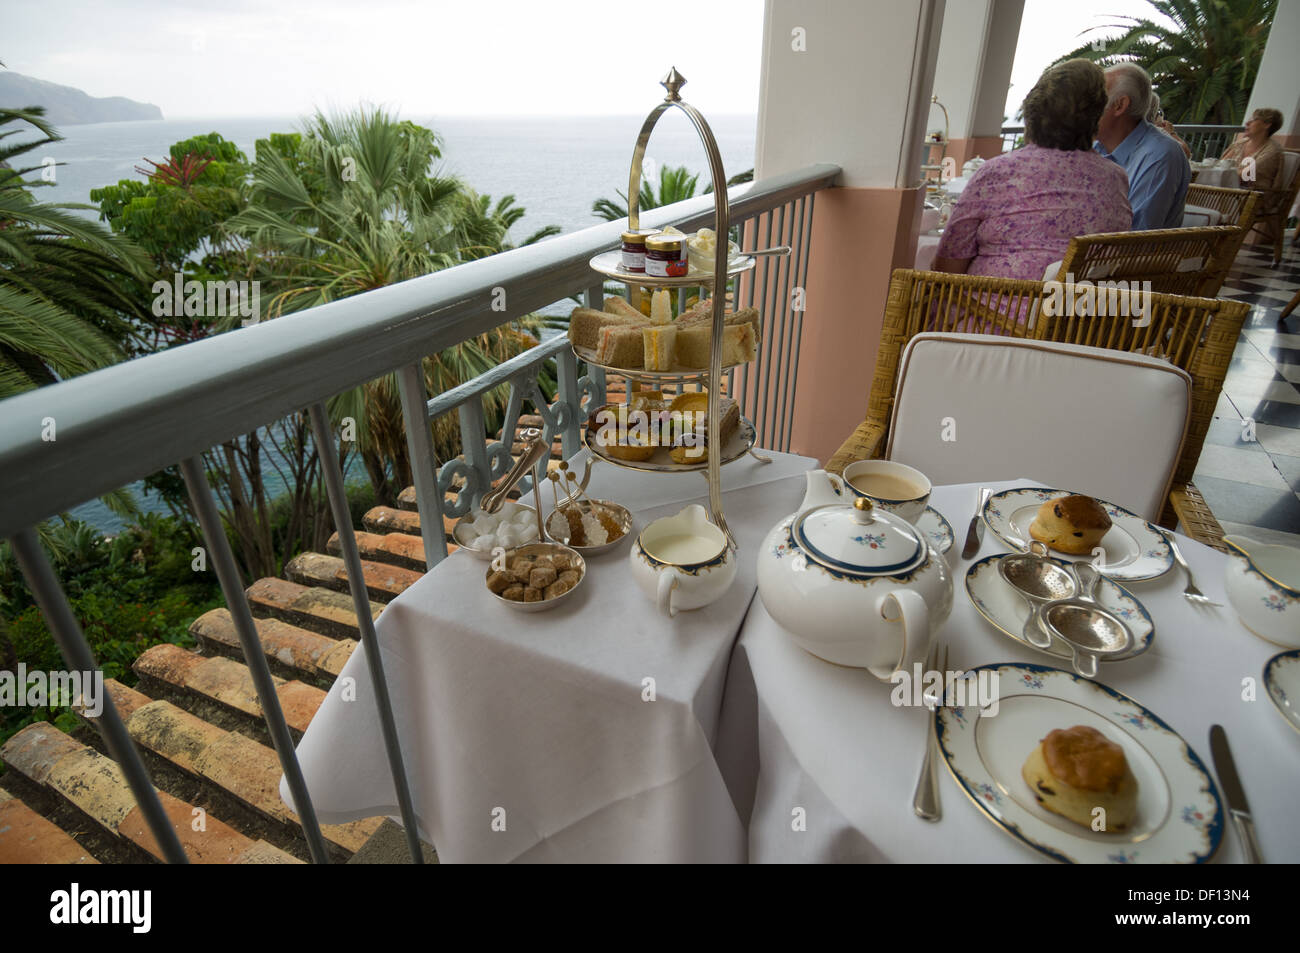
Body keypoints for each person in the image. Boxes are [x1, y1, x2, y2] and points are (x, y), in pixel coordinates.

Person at [933, 59, 1131, 281]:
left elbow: (946, 267)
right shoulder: (1115, 178)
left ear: (1033, 114)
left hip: (993, 310)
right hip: (1078, 312)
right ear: (1095, 118)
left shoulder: (997, 172)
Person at [1094, 63, 1190, 230]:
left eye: (1094, 99)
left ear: (1120, 105)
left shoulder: (1159, 154)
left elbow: (1135, 233)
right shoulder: (1096, 148)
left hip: (1128, 254)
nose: (1083, 107)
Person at [1220, 107, 1287, 193]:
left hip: (1252, 197)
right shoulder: (1239, 144)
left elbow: (1245, 176)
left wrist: (1221, 173)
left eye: (1253, 120)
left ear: (1267, 125)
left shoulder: (1273, 151)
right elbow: (1219, 166)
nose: (1247, 123)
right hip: (1227, 190)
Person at [1146, 92, 1192, 159]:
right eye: (1158, 112)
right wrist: (1171, 133)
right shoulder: (1158, 132)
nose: (1159, 114)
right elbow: (1186, 154)